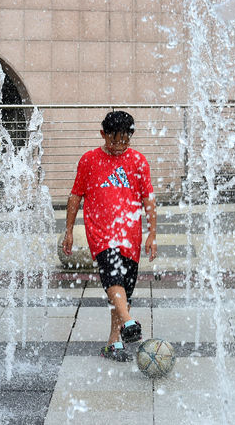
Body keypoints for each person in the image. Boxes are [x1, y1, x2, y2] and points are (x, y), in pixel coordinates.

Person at [62, 111, 158, 362]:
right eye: (114, 140)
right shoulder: (89, 160)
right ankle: (128, 321)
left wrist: (152, 233)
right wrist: (69, 230)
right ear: (103, 134)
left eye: (124, 141)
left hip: (130, 235)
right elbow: (75, 196)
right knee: (112, 278)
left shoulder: (138, 161)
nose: (119, 146)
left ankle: (114, 343)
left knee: (124, 292)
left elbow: (148, 198)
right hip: (102, 235)